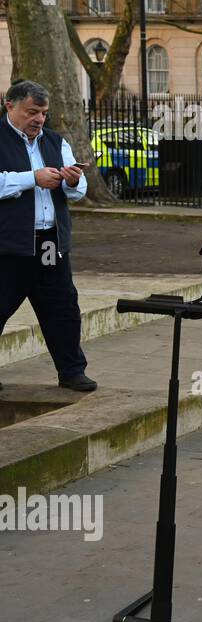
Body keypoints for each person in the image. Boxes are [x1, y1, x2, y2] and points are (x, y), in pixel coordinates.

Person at [0, 81, 95, 393]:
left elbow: (78, 193)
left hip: (50, 244)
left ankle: (71, 371)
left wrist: (71, 180)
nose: (38, 119)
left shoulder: (55, 141)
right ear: (9, 105)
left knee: (63, 308)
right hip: (9, 245)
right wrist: (32, 178)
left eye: (42, 113)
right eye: (31, 112)